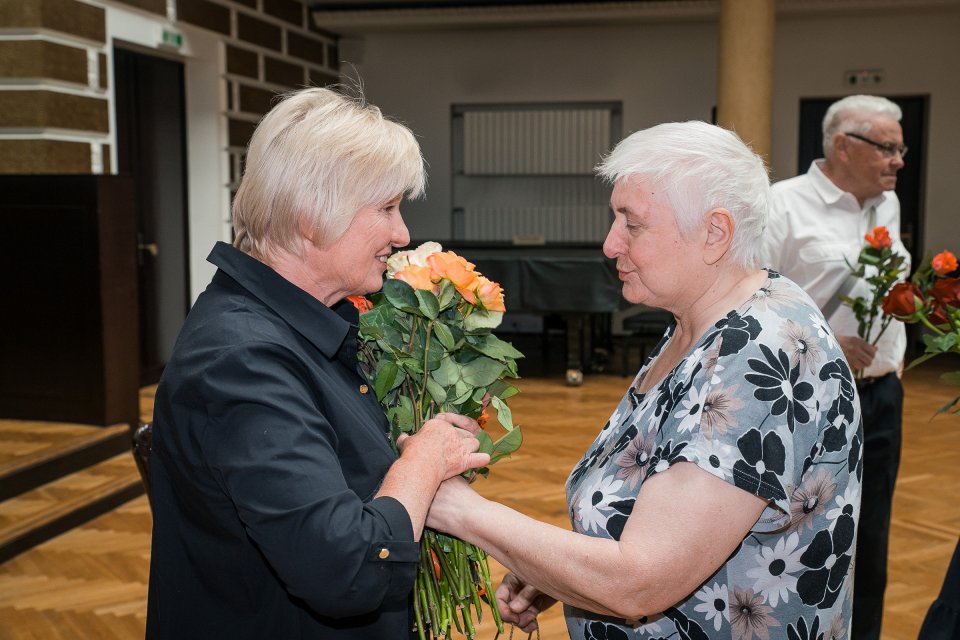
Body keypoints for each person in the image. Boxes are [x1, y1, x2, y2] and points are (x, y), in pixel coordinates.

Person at [426, 121, 863, 638]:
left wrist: (454, 506)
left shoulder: (756, 355)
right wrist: (564, 571)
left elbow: (640, 582)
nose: (610, 244)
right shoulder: (709, 321)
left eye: (632, 224)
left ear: (715, 233)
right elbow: (672, 518)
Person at [145, 87, 489, 639]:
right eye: (386, 208)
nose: (402, 235)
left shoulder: (299, 323)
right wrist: (420, 464)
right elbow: (345, 570)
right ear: (312, 214)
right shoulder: (242, 360)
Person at [761, 95, 909, 640]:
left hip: (882, 395)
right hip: (809, 399)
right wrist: (822, 345)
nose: (898, 160)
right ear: (842, 144)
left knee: (871, 542)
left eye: (901, 148)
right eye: (887, 148)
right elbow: (751, 304)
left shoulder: (885, 205)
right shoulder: (782, 205)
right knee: (804, 537)